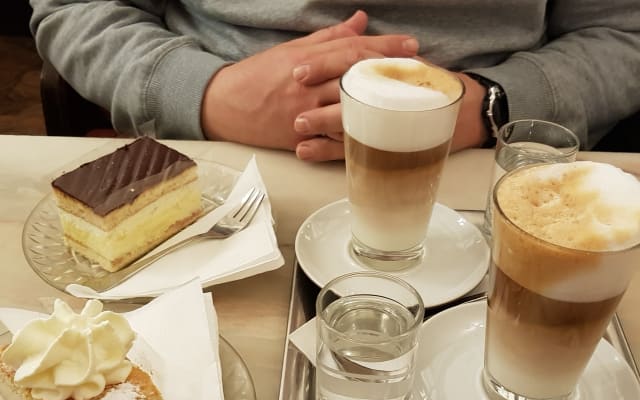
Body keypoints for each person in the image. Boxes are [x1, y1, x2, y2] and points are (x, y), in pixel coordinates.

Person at [30, 2, 640, 161]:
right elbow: (76, 7)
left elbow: (621, 31)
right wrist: (205, 94)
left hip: (482, 155)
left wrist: (492, 105)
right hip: (209, 150)